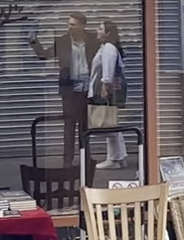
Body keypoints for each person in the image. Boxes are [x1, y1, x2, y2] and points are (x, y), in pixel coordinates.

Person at [28, 14, 96, 165]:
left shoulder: (92, 40)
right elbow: (44, 55)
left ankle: (86, 159)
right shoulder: (62, 41)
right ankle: (67, 162)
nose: (69, 27)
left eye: (73, 25)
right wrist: (33, 41)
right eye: (69, 24)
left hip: (88, 89)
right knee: (69, 126)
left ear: (83, 26)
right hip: (69, 89)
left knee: (85, 127)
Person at [88, 21, 128, 171]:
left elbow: (108, 69)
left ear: (108, 33)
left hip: (106, 91)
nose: (97, 31)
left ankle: (113, 159)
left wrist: (105, 88)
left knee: (108, 125)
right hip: (109, 90)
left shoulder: (109, 48)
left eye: (100, 29)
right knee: (112, 124)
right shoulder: (107, 47)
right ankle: (120, 157)